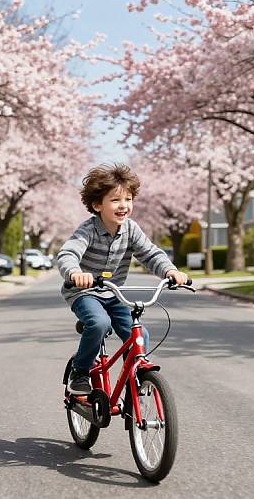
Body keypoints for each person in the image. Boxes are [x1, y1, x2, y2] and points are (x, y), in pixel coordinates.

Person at [57, 163, 188, 395]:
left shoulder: (131, 229)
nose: (123, 206)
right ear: (98, 205)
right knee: (99, 323)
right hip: (84, 292)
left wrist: (170, 271)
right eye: (115, 200)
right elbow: (69, 253)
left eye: (128, 199)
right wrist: (75, 273)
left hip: (114, 293)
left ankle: (134, 377)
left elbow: (151, 254)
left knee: (140, 334)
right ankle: (81, 370)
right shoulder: (88, 230)